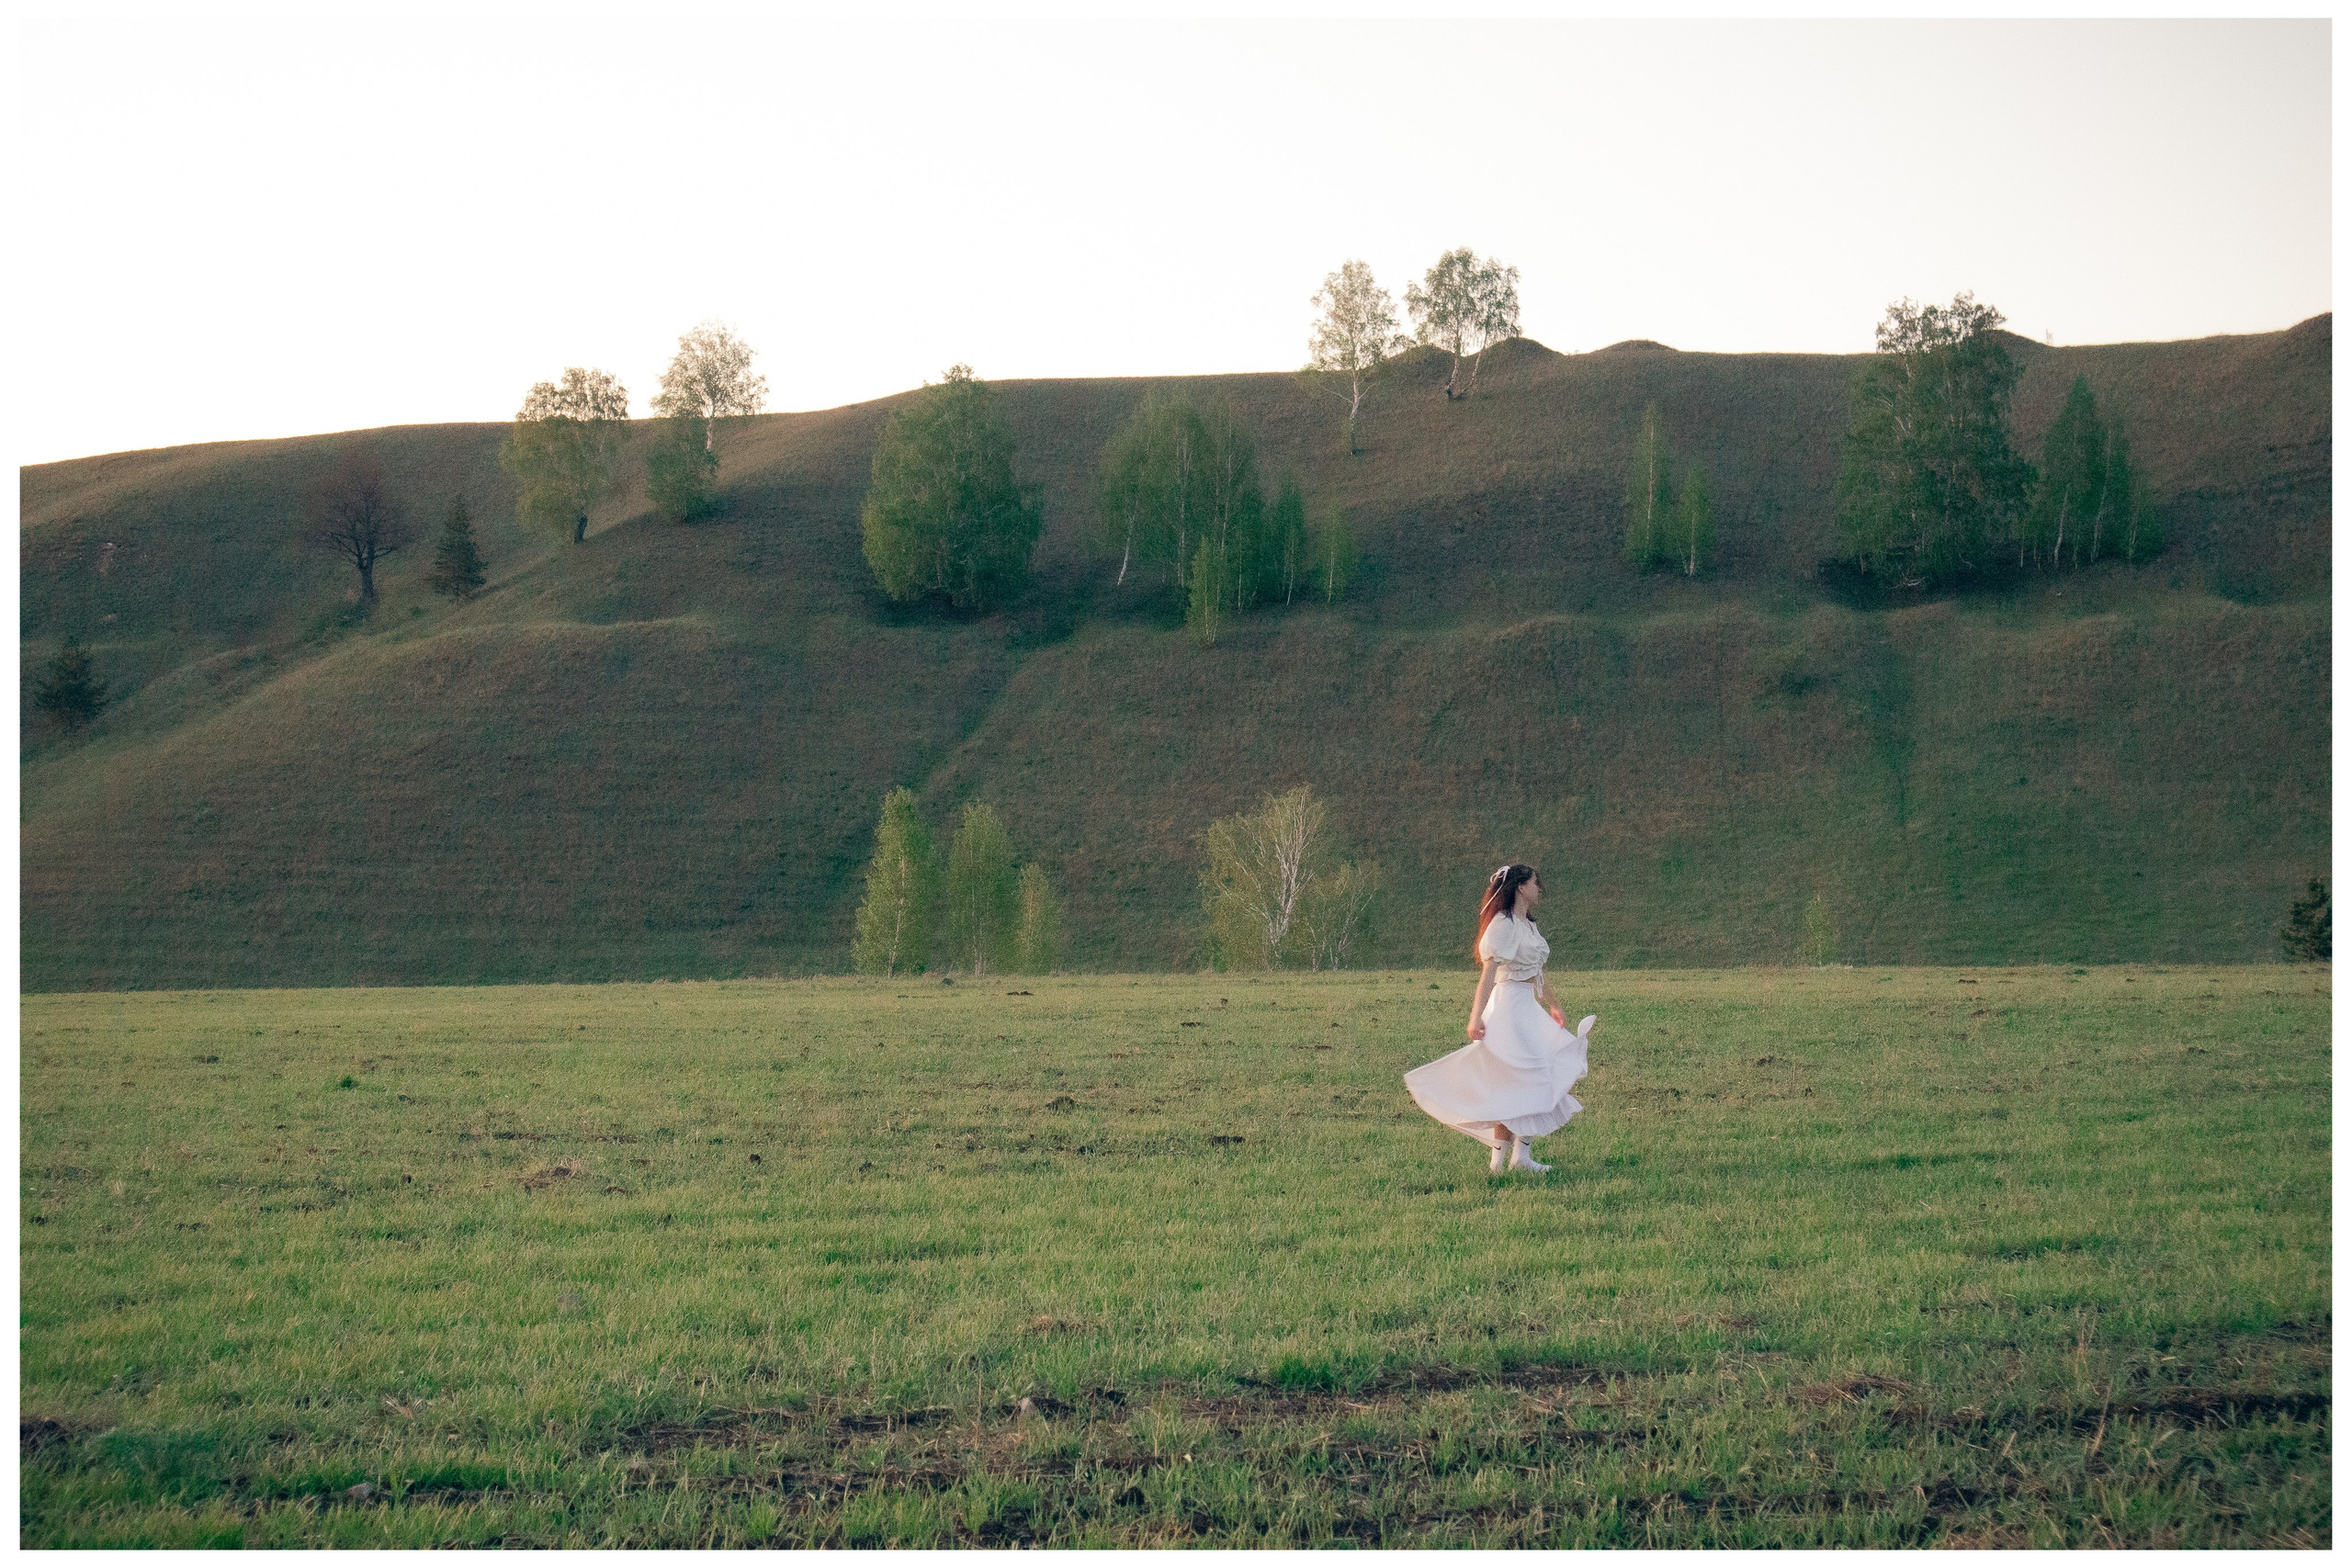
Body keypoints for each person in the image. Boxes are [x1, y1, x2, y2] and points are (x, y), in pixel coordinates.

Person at [1403, 863, 1595, 1173]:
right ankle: (1498, 1164)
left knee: (1535, 1078)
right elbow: (1489, 975)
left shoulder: (1528, 925)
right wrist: (1475, 1017)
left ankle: (1521, 1158)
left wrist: (1554, 1005)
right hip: (1507, 1009)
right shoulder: (1503, 925)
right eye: (1534, 882)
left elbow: (1538, 975)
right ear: (1520, 886)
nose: (1539, 888)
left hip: (1526, 1007)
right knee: (1512, 1081)